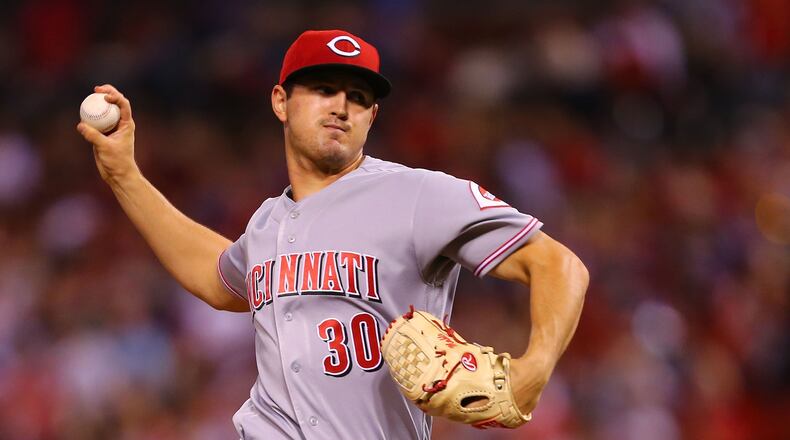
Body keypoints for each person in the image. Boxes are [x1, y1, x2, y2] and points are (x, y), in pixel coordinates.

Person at [76, 29, 588, 440]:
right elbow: (217, 279)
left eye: (358, 97)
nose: (342, 105)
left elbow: (558, 265)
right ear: (281, 101)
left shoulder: (419, 195)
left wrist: (535, 366)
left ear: (373, 115)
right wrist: (125, 175)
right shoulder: (267, 223)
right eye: (323, 89)